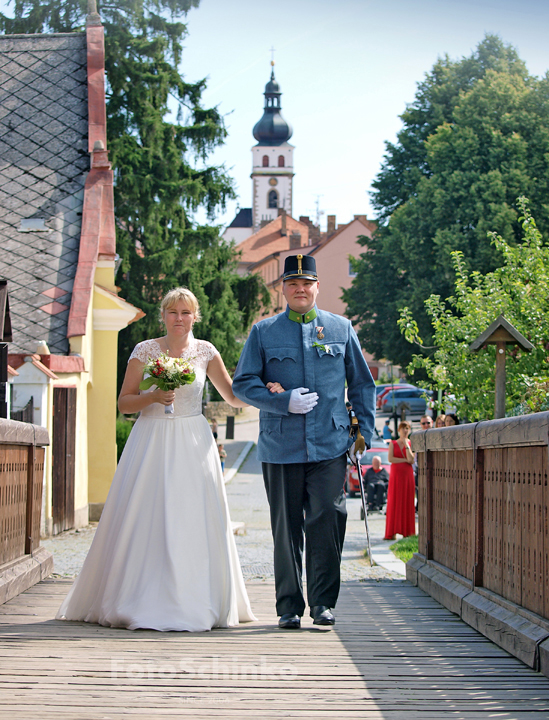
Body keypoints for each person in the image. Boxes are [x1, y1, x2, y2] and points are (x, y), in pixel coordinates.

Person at [57, 287, 262, 632]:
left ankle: (196, 597)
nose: (179, 319)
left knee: (192, 515)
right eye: (173, 312)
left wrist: (266, 391)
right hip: (151, 440)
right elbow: (124, 403)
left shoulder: (206, 352)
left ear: (195, 317)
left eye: (186, 313)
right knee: (146, 513)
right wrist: (151, 397)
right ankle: (138, 594)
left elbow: (232, 395)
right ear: (163, 315)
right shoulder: (145, 350)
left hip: (193, 441)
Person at [232, 254, 376, 629]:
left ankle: (324, 603)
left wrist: (366, 433)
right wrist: (282, 401)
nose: (300, 289)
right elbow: (243, 383)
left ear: (316, 287)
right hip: (281, 444)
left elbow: (362, 384)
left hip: (330, 442)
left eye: (306, 283)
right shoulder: (263, 333)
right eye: (292, 283)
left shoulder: (341, 328)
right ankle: (289, 607)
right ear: (283, 288)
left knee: (328, 519)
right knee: (286, 526)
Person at [384, 420, 416, 540]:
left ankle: (407, 531)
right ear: (399, 430)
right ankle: (392, 530)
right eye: (403, 428)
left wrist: (406, 445)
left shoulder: (411, 443)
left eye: (407, 428)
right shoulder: (393, 443)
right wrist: (404, 461)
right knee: (395, 500)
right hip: (396, 475)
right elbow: (391, 458)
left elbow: (411, 459)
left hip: (407, 475)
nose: (405, 430)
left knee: (407, 500)